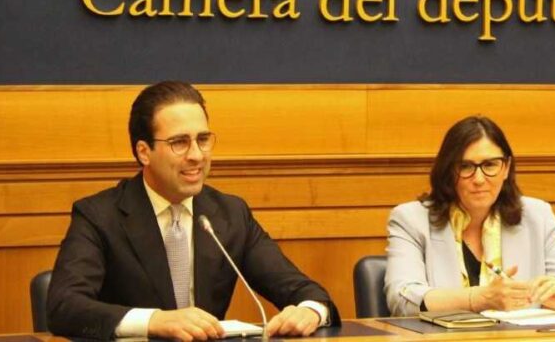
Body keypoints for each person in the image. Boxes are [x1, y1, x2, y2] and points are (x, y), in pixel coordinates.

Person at [47, 81, 339, 340]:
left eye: (203, 139)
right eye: (179, 143)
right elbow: (64, 306)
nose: (197, 155)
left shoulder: (229, 214)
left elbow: (306, 292)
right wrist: (154, 321)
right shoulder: (99, 216)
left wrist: (311, 311)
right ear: (144, 152)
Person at [385, 115, 555, 316]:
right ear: (448, 170)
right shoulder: (411, 220)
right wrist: (480, 299)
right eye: (466, 166)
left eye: (490, 165)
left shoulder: (536, 216)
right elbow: (401, 299)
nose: (479, 179)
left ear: (506, 168)